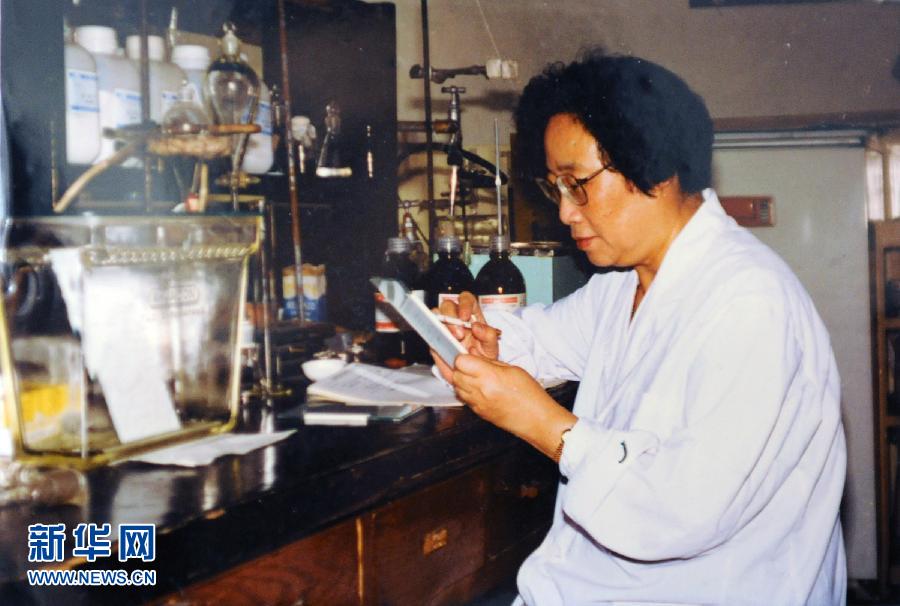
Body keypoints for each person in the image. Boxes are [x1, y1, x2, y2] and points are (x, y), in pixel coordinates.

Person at [433, 51, 847, 605]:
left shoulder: (749, 302)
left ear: (655, 167)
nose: (565, 212)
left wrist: (543, 423)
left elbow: (679, 512)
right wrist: (489, 338)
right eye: (555, 187)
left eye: (577, 183)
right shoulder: (625, 284)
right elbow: (543, 339)